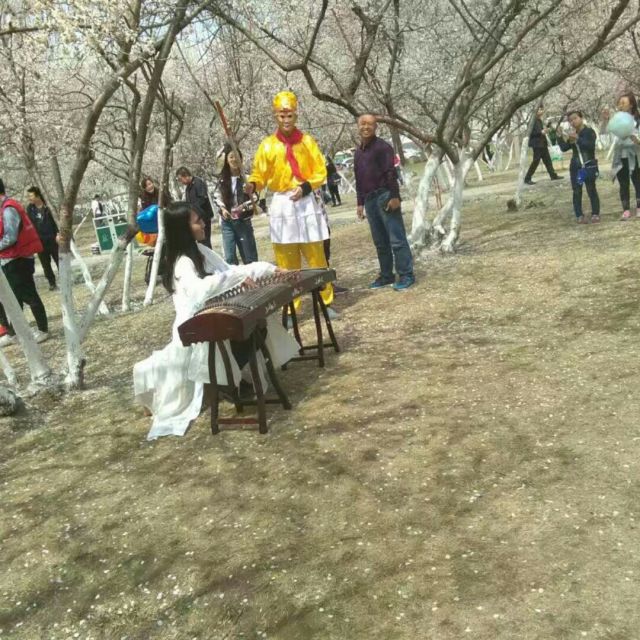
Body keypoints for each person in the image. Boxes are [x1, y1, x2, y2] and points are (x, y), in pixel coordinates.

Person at [133, 201, 298, 440]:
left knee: (257, 325)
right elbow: (200, 291)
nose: (203, 224)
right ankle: (228, 383)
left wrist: (268, 270)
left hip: (215, 317)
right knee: (241, 334)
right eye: (197, 221)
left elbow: (230, 270)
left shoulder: (200, 251)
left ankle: (232, 381)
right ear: (183, 229)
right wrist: (232, 281)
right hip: (195, 329)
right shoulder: (182, 262)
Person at [246, 90, 335, 315]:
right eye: (281, 116)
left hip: (306, 201)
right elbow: (259, 174)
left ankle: (325, 301)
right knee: (286, 257)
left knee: (315, 254)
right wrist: (253, 185)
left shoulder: (307, 142)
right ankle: (290, 307)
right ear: (275, 116)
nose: (286, 120)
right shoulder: (267, 145)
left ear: (296, 115)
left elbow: (320, 171)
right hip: (282, 203)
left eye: (290, 115)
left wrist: (305, 187)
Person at [354, 114, 415, 291]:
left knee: (397, 239)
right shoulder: (358, 153)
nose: (366, 127)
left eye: (370, 124)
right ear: (358, 126)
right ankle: (387, 275)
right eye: (363, 124)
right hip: (369, 200)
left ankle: (406, 274)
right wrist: (360, 203)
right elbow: (359, 179)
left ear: (375, 127)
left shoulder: (383, 147)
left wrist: (394, 196)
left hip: (385, 195)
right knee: (380, 242)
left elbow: (391, 173)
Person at [0, 178, 49, 346]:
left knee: (28, 294)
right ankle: (14, 333)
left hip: (18, 259)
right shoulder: (4, 208)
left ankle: (42, 330)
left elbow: (11, 237)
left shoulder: (8, 209)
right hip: (10, 260)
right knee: (15, 298)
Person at [215, 144, 259, 265]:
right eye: (231, 157)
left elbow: (255, 198)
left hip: (243, 221)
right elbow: (217, 196)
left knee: (249, 257)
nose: (234, 160)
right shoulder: (222, 180)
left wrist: (243, 207)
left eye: (237, 157)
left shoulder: (248, 179)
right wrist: (223, 209)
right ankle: (235, 276)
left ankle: (253, 275)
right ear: (227, 160)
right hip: (227, 223)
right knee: (229, 257)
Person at [557, 111, 600, 224]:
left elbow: (590, 146)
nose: (573, 121)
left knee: (591, 189)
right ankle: (579, 215)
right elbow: (564, 148)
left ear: (581, 118)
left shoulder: (589, 131)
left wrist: (578, 139)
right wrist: (559, 136)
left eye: (575, 118)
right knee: (577, 190)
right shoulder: (573, 133)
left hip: (588, 165)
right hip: (577, 167)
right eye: (570, 120)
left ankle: (595, 213)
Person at [611, 92, 640, 220]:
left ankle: (639, 208)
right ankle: (626, 210)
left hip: (635, 155)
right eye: (619, 103)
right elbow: (613, 138)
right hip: (620, 156)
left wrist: (637, 140)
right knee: (623, 183)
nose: (620, 106)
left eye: (623, 103)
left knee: (638, 182)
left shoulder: (637, 120)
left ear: (631, 104)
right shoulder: (616, 120)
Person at [26, 186, 59, 290]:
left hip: (53, 239)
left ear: (38, 196)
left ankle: (65, 279)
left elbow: (56, 221)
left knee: (59, 261)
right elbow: (29, 225)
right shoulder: (30, 209)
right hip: (40, 242)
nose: (29, 198)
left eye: (31, 196)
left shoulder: (48, 206)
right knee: (45, 264)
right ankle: (52, 283)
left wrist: (58, 233)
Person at [175, 167, 214, 248]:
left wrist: (192, 209)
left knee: (205, 242)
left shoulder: (198, 182)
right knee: (200, 243)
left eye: (180, 179)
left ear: (185, 175)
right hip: (195, 220)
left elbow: (202, 199)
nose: (181, 182)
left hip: (203, 218)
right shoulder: (188, 188)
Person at [524, 105, 563, 185]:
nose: (541, 111)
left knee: (547, 160)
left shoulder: (539, 120)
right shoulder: (532, 121)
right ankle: (527, 178)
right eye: (539, 109)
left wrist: (545, 130)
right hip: (537, 144)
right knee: (536, 161)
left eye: (542, 109)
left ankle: (553, 175)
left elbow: (541, 131)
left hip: (543, 143)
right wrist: (541, 132)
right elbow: (530, 133)